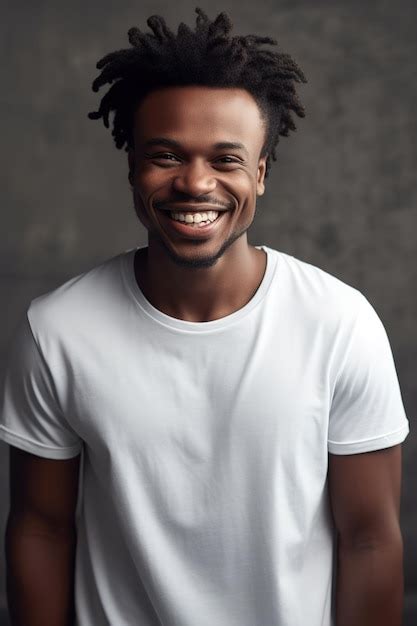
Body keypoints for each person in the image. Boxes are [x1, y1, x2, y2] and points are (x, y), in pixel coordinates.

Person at [0, 7, 409, 626]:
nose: (195, 183)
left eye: (226, 159)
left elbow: (370, 539)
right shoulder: (56, 332)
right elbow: (41, 529)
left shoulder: (340, 325)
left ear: (261, 173)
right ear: (132, 166)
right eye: (165, 155)